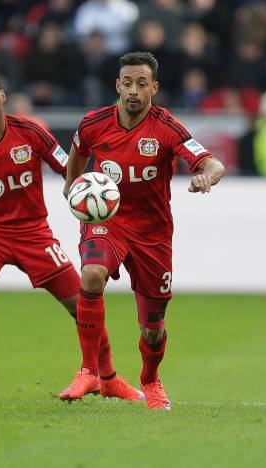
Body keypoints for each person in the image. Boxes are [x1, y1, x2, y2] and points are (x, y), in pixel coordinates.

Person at [0, 62, 141, 402]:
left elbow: (71, 174)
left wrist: (101, 229)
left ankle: (108, 377)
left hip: (34, 234)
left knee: (82, 301)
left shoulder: (31, 133)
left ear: (3, 96)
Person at [60, 51, 225, 409]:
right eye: (127, 83)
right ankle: (89, 370)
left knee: (153, 328)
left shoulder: (167, 127)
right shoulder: (93, 123)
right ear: (118, 85)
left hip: (152, 233)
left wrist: (205, 177)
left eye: (141, 84)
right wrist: (72, 186)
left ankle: (150, 379)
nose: (133, 90)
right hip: (107, 222)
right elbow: (77, 149)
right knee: (91, 276)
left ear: (154, 88)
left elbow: (214, 163)